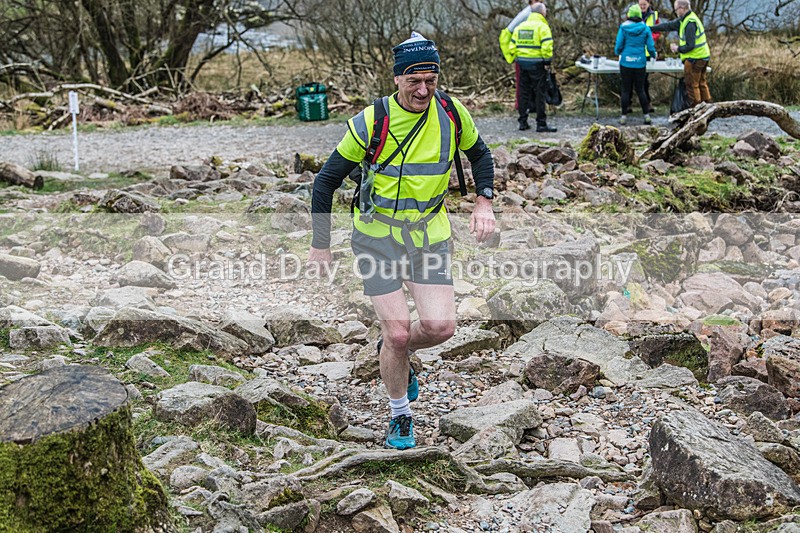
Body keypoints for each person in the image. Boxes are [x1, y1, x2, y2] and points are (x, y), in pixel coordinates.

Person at [308, 32, 497, 450]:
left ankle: (391, 350)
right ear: (396, 79)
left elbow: (481, 155)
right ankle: (399, 415)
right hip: (377, 241)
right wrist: (321, 244)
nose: (424, 90)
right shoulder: (371, 120)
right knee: (397, 334)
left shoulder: (450, 112)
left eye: (431, 80)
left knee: (440, 327)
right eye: (414, 81)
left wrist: (484, 202)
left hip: (428, 237)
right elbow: (325, 182)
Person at [650, 0, 712, 107]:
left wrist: (677, 48)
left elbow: (690, 46)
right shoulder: (687, 19)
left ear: (682, 8)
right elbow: (668, 26)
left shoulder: (689, 23)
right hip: (703, 56)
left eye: (676, 10)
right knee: (702, 83)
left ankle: (696, 109)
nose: (676, 12)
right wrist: (650, 28)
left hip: (695, 58)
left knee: (692, 85)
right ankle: (708, 107)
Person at [508, 2, 557, 132]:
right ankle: (541, 124)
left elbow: (512, 45)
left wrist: (516, 58)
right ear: (542, 13)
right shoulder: (543, 27)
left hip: (522, 63)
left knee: (523, 93)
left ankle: (522, 122)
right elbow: (547, 47)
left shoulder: (521, 26)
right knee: (539, 93)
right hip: (537, 65)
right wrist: (547, 61)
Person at [615, 4, 657, 125]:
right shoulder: (645, 28)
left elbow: (618, 45)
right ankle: (646, 116)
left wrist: (618, 52)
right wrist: (653, 55)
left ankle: (623, 116)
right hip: (640, 62)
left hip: (626, 62)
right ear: (639, 15)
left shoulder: (623, 28)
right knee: (641, 89)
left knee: (626, 89)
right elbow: (650, 46)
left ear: (628, 15)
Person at [499, 0, 537, 111]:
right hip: (522, 54)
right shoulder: (527, 14)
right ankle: (520, 105)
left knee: (527, 82)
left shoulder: (532, 13)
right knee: (522, 82)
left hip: (527, 54)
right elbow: (511, 31)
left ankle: (528, 105)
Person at [639, 0, 661, 112]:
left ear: (649, 4)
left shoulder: (654, 15)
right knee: (630, 79)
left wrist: (650, 38)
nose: (642, 6)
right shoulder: (632, 14)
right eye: (640, 4)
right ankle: (628, 104)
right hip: (635, 51)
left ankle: (647, 103)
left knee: (644, 80)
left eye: (644, 4)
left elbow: (658, 30)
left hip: (647, 52)